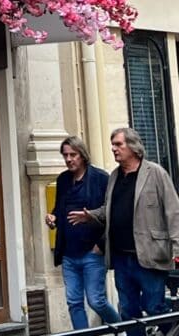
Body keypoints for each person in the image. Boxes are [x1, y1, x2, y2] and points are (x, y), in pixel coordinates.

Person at [69, 126, 179, 321]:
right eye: (112, 145)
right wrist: (91, 215)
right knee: (128, 313)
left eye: (118, 144)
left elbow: (174, 213)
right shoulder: (114, 176)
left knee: (155, 309)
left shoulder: (155, 173)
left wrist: (177, 251)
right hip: (121, 258)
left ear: (133, 147)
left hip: (149, 257)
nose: (114, 149)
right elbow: (109, 209)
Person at [45, 135, 120, 329]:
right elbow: (60, 209)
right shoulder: (62, 180)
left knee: (96, 301)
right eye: (65, 155)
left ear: (83, 155)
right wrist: (53, 218)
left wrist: (101, 245)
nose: (69, 159)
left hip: (92, 253)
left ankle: (125, 328)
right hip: (69, 254)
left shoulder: (101, 178)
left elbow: (113, 214)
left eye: (73, 155)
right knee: (74, 302)